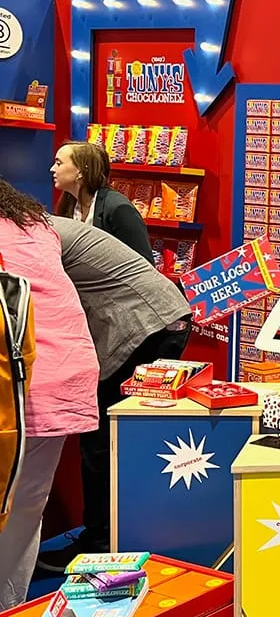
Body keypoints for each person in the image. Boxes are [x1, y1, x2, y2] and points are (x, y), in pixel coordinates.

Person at [36, 216, 190, 569]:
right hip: (158, 318)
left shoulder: (34, 236)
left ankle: (100, 545)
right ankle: (124, 535)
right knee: (119, 437)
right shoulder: (42, 225)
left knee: (101, 438)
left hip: (143, 325)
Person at [0, 181, 99, 607]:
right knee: (26, 506)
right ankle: (9, 612)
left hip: (20, 377)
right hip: (64, 372)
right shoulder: (36, 224)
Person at [51, 142, 152, 261]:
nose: (52, 169)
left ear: (81, 171)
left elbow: (144, 263)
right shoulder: (68, 203)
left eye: (59, 163)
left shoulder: (118, 208)